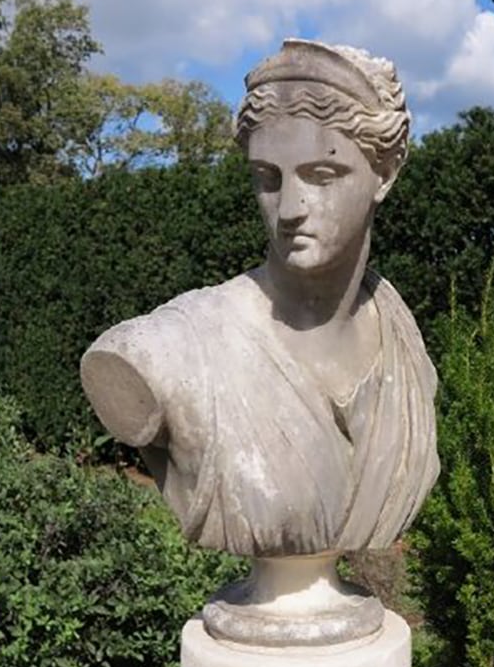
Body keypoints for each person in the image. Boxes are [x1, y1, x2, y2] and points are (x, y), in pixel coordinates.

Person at [81, 38, 439, 558]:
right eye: (268, 179)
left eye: (322, 175)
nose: (290, 208)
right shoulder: (168, 350)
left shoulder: (399, 329)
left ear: (384, 174)